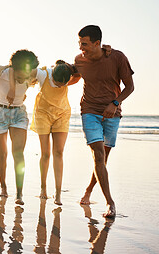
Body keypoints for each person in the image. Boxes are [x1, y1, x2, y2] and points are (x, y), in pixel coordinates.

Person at [75, 25, 134, 218]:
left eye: (84, 44)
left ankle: (89, 190)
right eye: (79, 43)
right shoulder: (79, 60)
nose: (80, 48)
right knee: (98, 156)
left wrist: (114, 103)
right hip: (89, 111)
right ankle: (110, 203)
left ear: (97, 43)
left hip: (112, 114)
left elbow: (130, 87)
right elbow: (68, 76)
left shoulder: (117, 57)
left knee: (102, 160)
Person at [0, 49, 39, 205]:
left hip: (19, 113)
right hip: (0, 113)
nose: (25, 79)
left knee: (18, 153)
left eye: (28, 76)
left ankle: (19, 193)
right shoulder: (1, 71)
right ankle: (3, 187)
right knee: (2, 153)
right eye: (21, 76)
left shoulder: (33, 72)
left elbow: (58, 72)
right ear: (14, 68)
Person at [28, 61, 76, 206]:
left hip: (62, 114)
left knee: (59, 152)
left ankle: (58, 193)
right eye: (58, 83)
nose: (61, 86)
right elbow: (26, 69)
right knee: (46, 153)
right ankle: (43, 188)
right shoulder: (43, 74)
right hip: (43, 115)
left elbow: (82, 68)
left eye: (63, 84)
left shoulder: (68, 74)